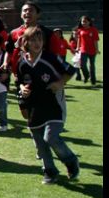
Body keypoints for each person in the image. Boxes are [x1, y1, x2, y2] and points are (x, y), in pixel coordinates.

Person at [16, 26, 80, 184]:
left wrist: (60, 82)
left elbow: (70, 70)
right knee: (39, 142)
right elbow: (20, 81)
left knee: (50, 137)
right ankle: (50, 171)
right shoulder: (22, 62)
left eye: (40, 39)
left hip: (53, 105)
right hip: (33, 107)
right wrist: (22, 88)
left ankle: (71, 161)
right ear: (26, 42)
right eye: (33, 40)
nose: (37, 43)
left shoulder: (50, 57)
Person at [76, 16, 100, 85]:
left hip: (92, 50)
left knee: (91, 66)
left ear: (89, 22)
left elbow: (95, 40)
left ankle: (93, 80)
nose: (83, 23)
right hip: (83, 50)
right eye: (82, 21)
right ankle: (86, 76)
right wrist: (77, 47)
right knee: (82, 65)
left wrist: (97, 49)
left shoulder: (94, 30)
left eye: (85, 21)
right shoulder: (80, 30)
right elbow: (79, 39)